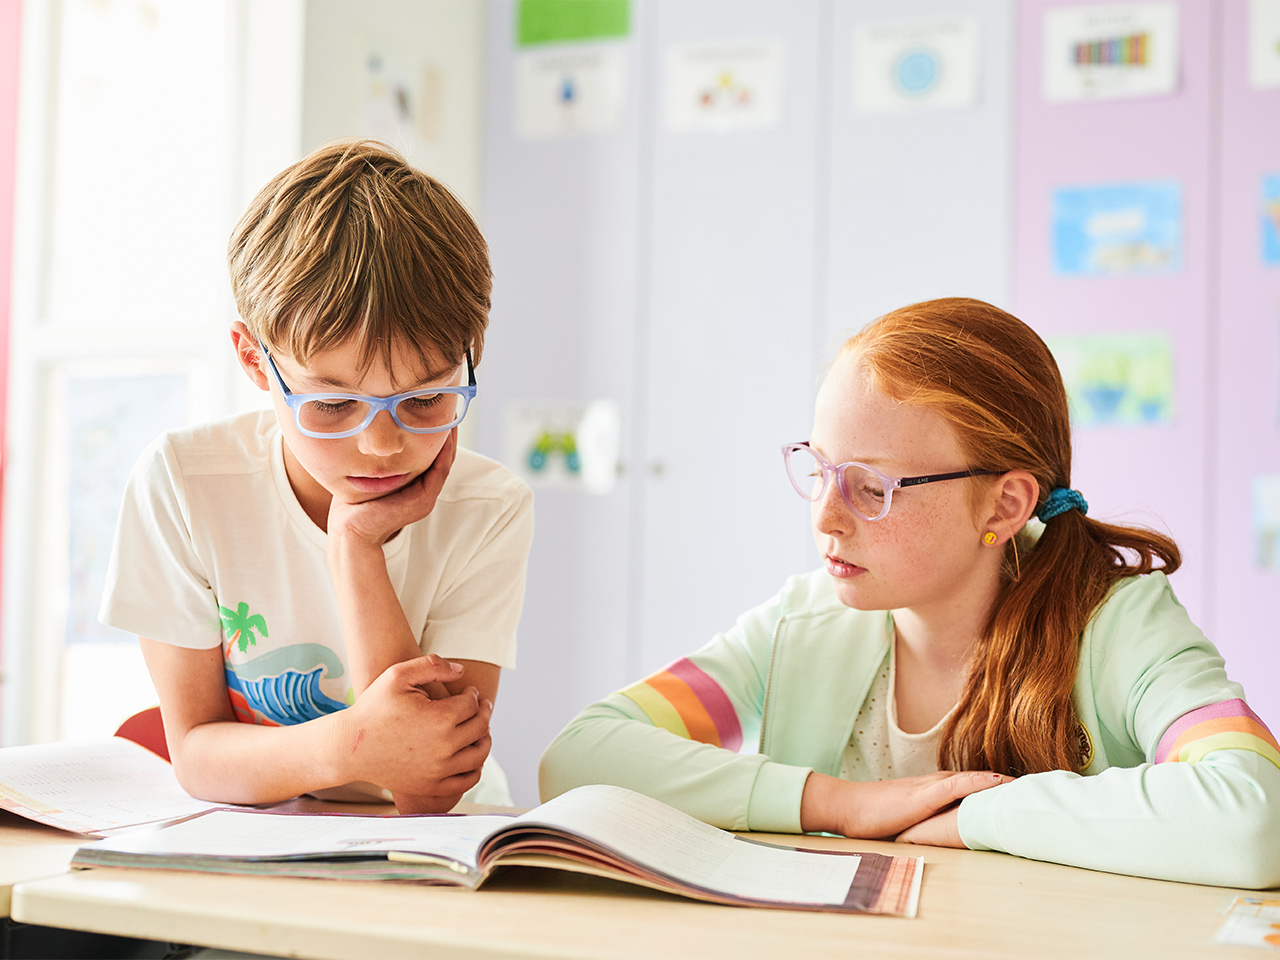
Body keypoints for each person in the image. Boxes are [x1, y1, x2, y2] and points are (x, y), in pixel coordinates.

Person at [540, 297, 1280, 888]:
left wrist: (972, 815)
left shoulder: (1120, 627)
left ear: (1003, 506)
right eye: (819, 470)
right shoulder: (804, 623)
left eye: (871, 488)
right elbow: (580, 757)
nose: (825, 517)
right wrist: (839, 803)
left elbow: (1256, 815)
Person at [101, 139, 533, 814]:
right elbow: (195, 751)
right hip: (252, 836)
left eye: (425, 399)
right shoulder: (184, 485)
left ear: (469, 357)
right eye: (332, 403)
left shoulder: (489, 507)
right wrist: (357, 742)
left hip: (429, 844)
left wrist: (356, 549)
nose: (381, 445)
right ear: (253, 360)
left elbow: (424, 787)